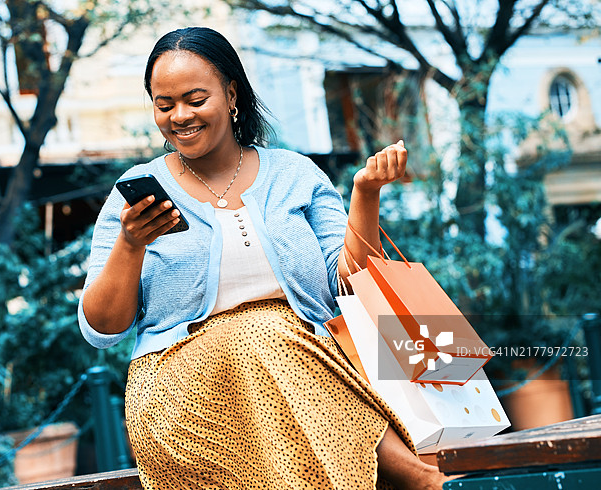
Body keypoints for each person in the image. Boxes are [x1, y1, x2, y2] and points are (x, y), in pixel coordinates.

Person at [78, 26, 450, 489]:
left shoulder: (294, 174)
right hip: (182, 389)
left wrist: (366, 194)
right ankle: (418, 478)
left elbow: (351, 283)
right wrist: (131, 246)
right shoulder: (134, 197)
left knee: (270, 334)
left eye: (196, 99)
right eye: (164, 104)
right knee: (260, 332)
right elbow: (101, 329)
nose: (180, 116)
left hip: (311, 372)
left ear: (231, 94)